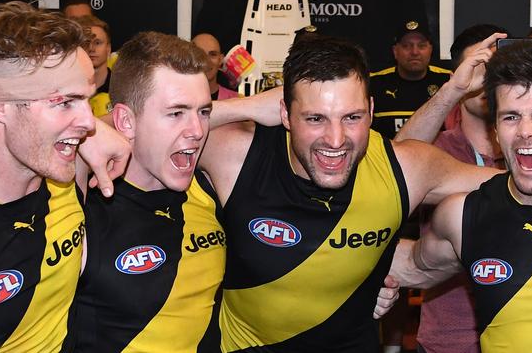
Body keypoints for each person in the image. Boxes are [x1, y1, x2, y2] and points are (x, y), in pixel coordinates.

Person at [197, 34, 498, 352]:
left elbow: (521, 189)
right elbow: (148, 133)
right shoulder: (237, 156)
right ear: (285, 113)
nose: (336, 140)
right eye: (315, 118)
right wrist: (244, 107)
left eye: (352, 117)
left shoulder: (402, 168)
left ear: (370, 110)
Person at [390, 41, 532, 352]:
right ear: (495, 130)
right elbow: (410, 265)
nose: (525, 131)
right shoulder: (462, 215)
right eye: (510, 117)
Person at [0, 1, 129, 351]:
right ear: (0, 104)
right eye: (64, 101)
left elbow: (167, 120)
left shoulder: (68, 174)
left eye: (86, 100)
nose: (88, 123)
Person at [70, 31, 225, 352]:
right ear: (125, 121)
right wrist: (89, 129)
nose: (197, 131)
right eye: (176, 113)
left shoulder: (212, 188)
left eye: (204, 112)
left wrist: (248, 106)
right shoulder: (84, 202)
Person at [396, 24, 507, 353]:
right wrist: (453, 89)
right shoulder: (437, 149)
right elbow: (395, 173)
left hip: (522, 336)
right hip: (448, 340)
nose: (488, 81)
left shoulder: (530, 149)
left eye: (499, 70)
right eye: (479, 68)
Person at [370, 18, 451, 138]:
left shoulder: (448, 81)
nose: (414, 52)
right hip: (387, 155)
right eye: (406, 46)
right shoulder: (374, 83)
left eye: (422, 46)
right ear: (395, 51)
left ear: (431, 50)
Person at [74, 15, 112, 117]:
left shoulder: (121, 87)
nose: (91, 48)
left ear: (108, 49)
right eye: (86, 43)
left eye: (97, 42)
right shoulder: (68, 90)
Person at [192, 33, 239, 100]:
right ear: (189, 57)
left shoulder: (236, 100)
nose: (206, 61)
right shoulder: (177, 97)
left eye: (213, 54)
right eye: (199, 54)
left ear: (220, 60)